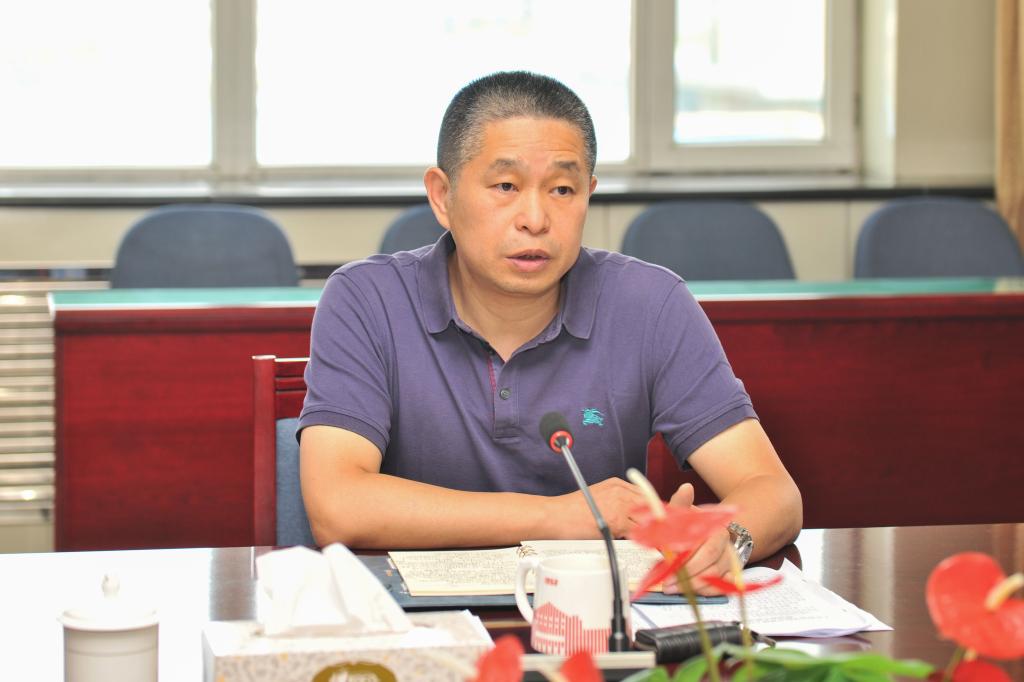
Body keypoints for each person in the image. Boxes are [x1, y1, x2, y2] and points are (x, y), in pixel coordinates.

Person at [298, 71, 801, 592]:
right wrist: (562, 516)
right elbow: (337, 506)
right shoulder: (367, 299)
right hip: (419, 620)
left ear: (589, 195)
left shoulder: (651, 304)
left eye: (563, 189)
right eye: (506, 187)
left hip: (598, 616)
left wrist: (728, 539)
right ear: (443, 196)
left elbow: (773, 491)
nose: (535, 219)